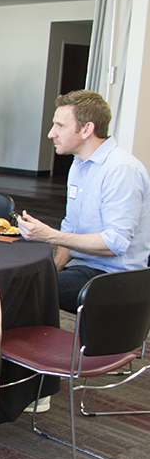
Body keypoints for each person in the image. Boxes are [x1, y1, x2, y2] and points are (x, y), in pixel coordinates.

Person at [18, 89, 150, 313]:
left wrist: (48, 234)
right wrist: (54, 268)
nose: (51, 133)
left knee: (26, 289)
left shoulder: (121, 169)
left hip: (114, 278)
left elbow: (115, 243)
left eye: (60, 126)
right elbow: (72, 225)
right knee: (25, 281)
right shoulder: (79, 164)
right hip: (83, 268)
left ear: (87, 129)